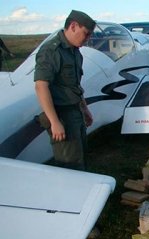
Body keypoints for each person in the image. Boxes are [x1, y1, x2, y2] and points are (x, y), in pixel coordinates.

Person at [34, 10, 96, 171]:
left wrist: (85, 109)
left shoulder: (75, 52)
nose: (88, 39)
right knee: (69, 165)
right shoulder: (51, 51)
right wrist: (54, 122)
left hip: (76, 113)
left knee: (80, 158)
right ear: (73, 26)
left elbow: (75, 86)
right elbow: (41, 86)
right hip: (61, 115)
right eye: (86, 34)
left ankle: (83, 193)